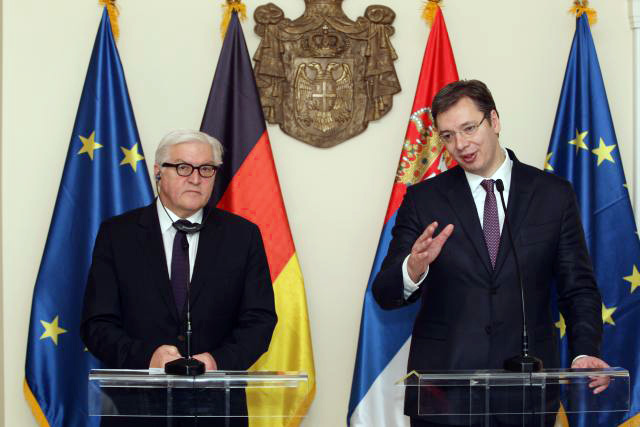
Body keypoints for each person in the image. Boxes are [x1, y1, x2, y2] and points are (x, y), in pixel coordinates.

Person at [372, 80, 608, 427]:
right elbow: (385, 293)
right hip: (444, 396)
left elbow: (579, 288)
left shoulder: (552, 195)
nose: (461, 144)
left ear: (494, 121)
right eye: (448, 135)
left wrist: (585, 351)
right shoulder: (424, 199)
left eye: (469, 128)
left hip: (526, 393)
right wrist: (414, 267)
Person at [81, 129, 277, 427]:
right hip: (136, 409)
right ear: (158, 172)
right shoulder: (117, 235)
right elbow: (97, 323)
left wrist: (218, 361)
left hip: (216, 410)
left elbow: (259, 320)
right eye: (183, 167)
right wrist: (148, 358)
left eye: (206, 169)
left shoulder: (242, 236)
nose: (196, 178)